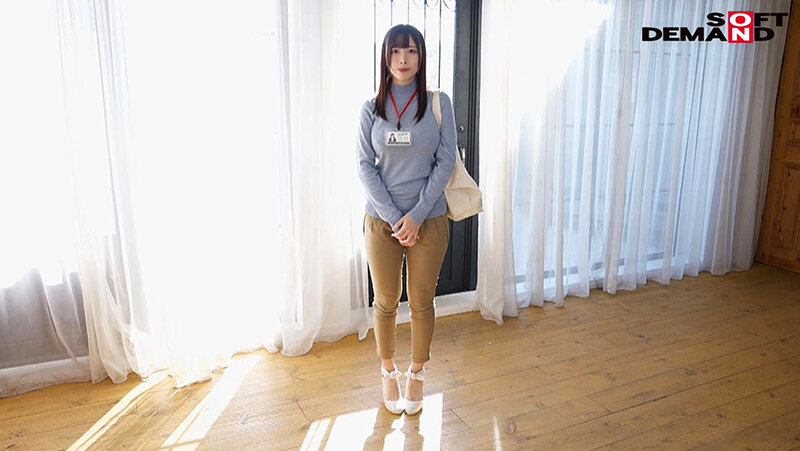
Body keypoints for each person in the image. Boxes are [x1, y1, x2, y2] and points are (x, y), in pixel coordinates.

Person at [356, 23, 457, 415]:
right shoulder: (370, 109)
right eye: (395, 51)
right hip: (381, 221)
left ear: (421, 56)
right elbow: (365, 167)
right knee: (384, 300)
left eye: (411, 51)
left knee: (421, 300)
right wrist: (395, 217)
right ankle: (388, 371)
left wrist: (415, 216)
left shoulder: (437, 102)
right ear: (385, 57)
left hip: (429, 219)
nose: (403, 59)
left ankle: (416, 373)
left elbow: (446, 161)